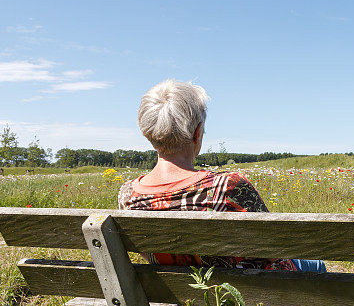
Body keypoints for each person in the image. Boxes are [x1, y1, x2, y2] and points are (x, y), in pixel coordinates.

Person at [118, 78, 325, 273]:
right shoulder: (227, 186)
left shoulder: (128, 196)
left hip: (186, 296)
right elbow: (275, 249)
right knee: (316, 266)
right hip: (249, 300)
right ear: (197, 133)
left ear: (148, 133)